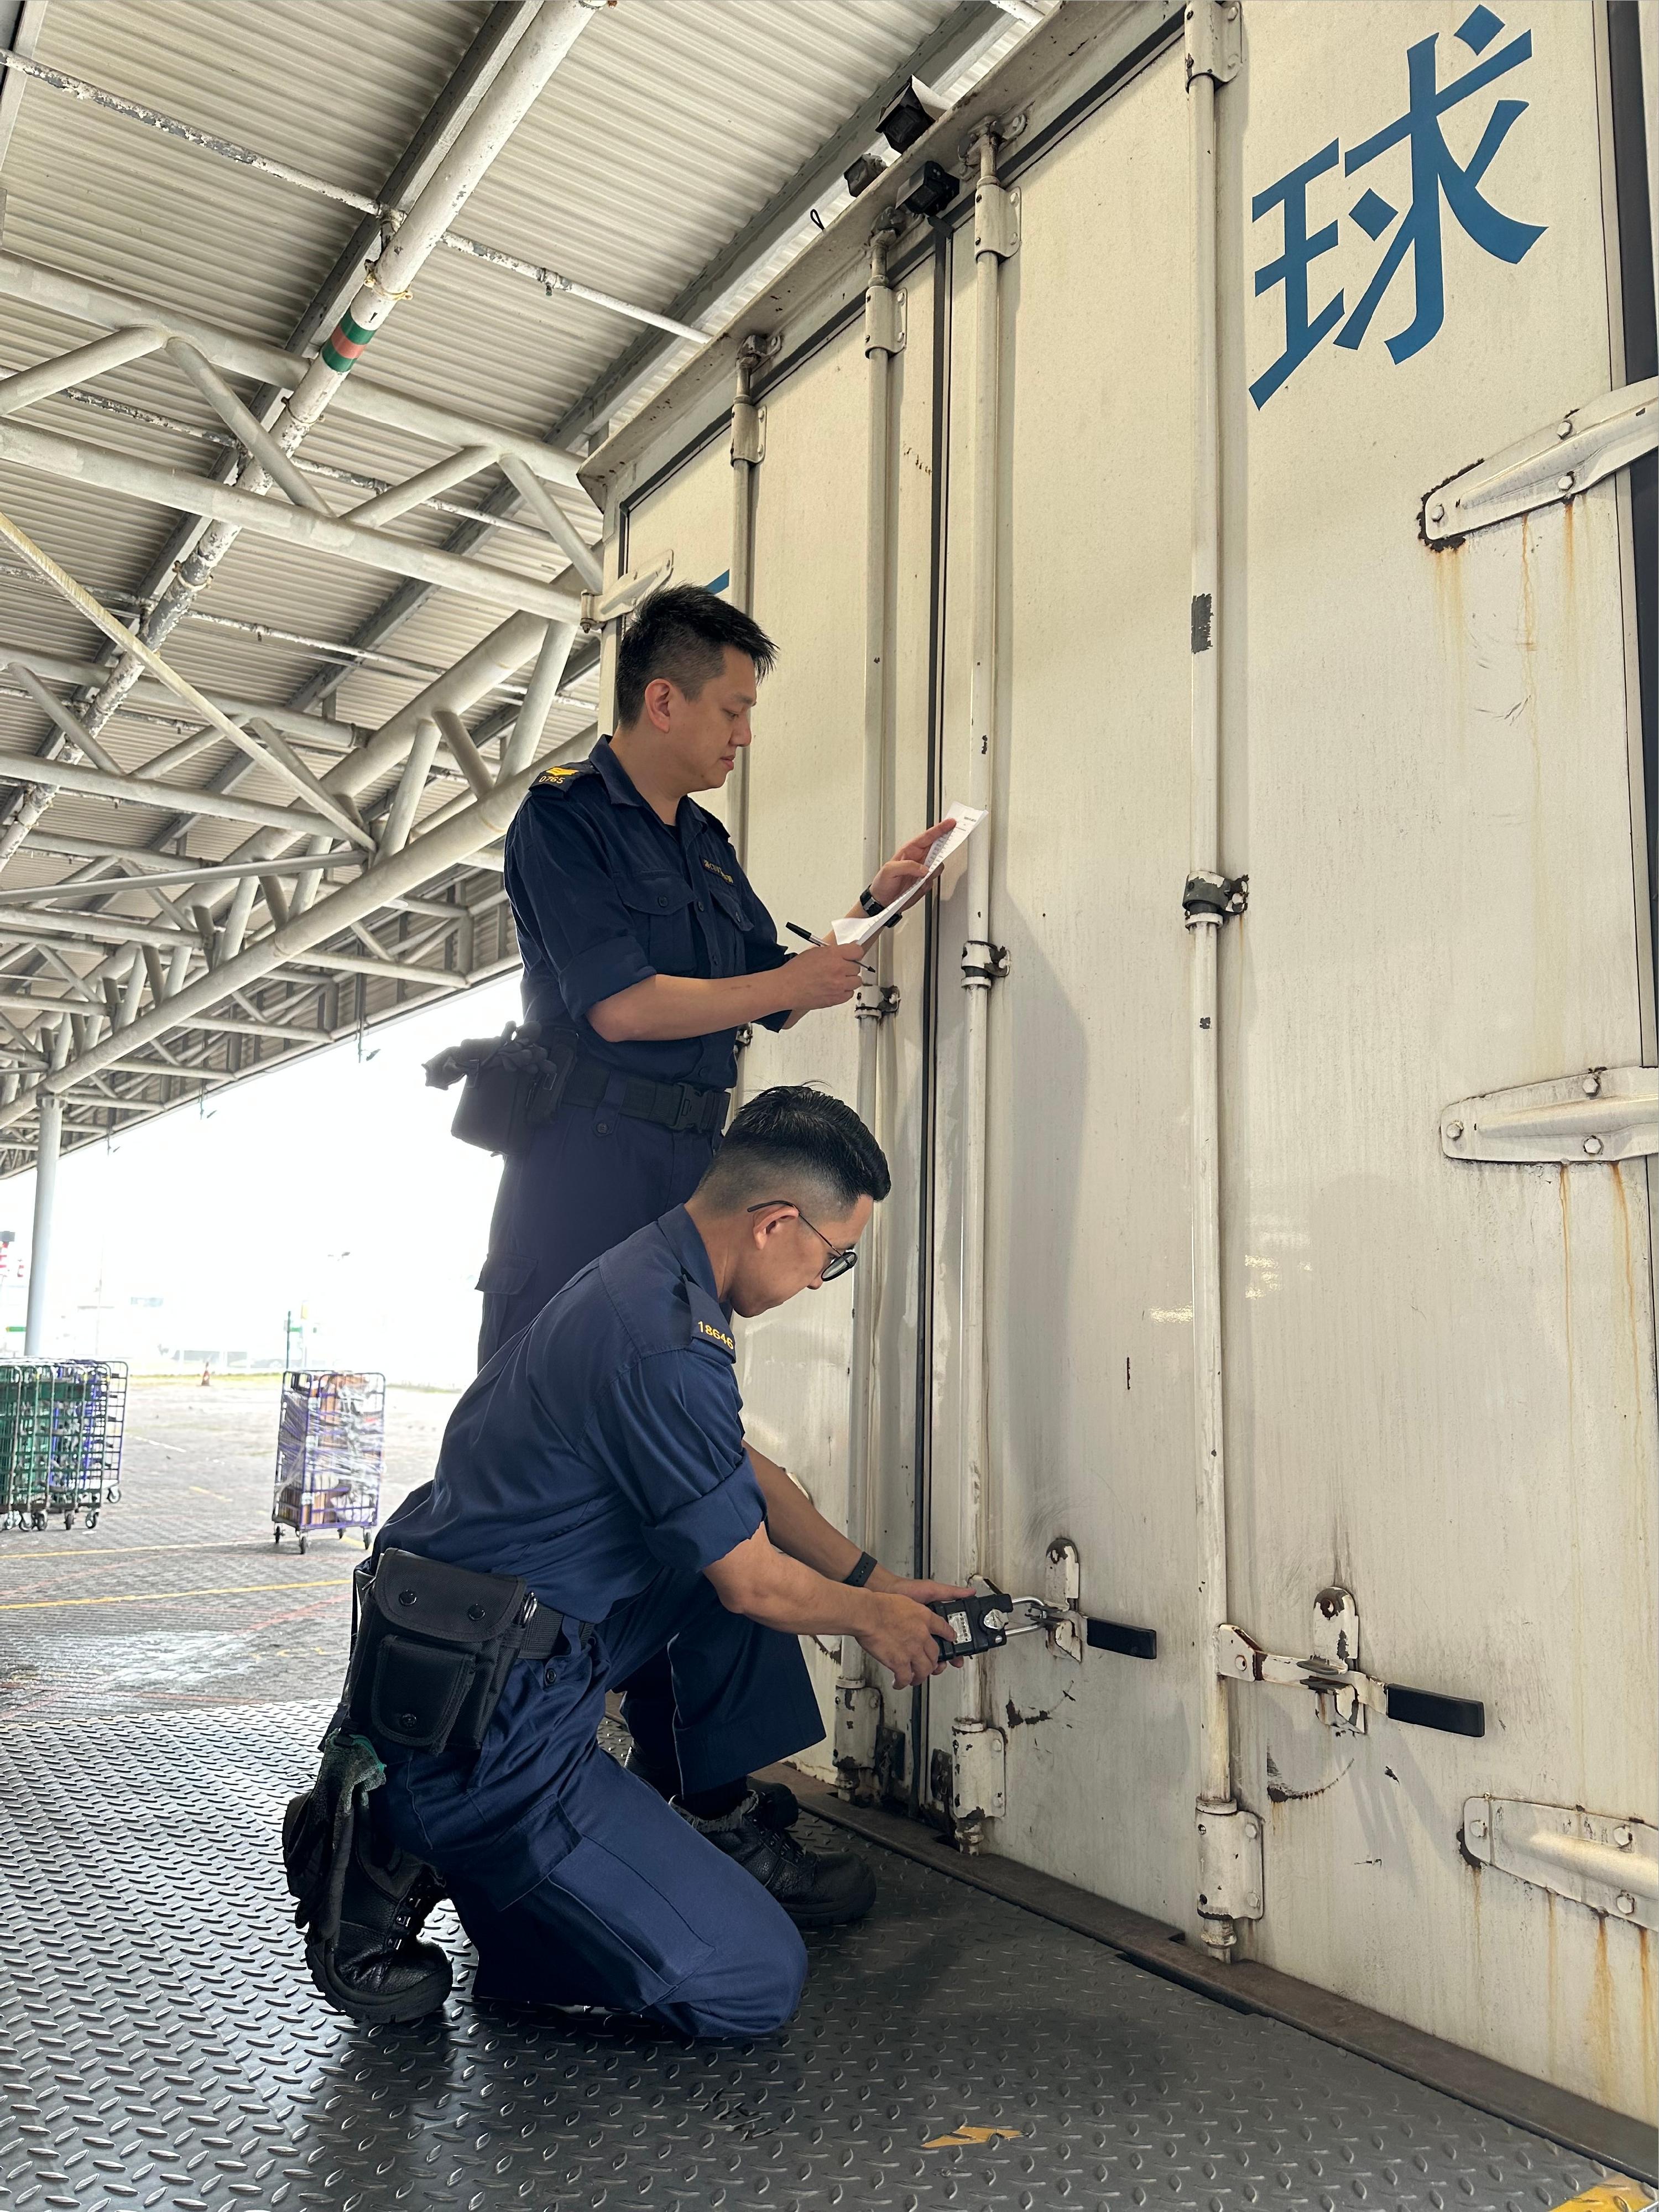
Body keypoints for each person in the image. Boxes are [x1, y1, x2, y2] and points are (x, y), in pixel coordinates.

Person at [297, 1088, 969, 2036]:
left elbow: (745, 1475)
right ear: (777, 1225)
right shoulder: (660, 1340)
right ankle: (408, 1850)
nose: (825, 1278)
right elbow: (752, 1580)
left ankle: (704, 1818)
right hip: (485, 1718)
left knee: (727, 1553)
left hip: (517, 1640)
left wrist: (875, 1583)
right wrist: (877, 1624)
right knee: (752, 1982)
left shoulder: (658, 1277)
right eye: (833, 1255)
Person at [475, 583, 950, 1365]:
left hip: (694, 1165)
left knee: (669, 1383)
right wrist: (789, 987)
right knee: (554, 1388)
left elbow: (772, 991)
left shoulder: (704, 840)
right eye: (733, 712)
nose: (746, 736)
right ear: (663, 701)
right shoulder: (564, 820)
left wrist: (875, 903)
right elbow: (620, 1008)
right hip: (587, 1162)